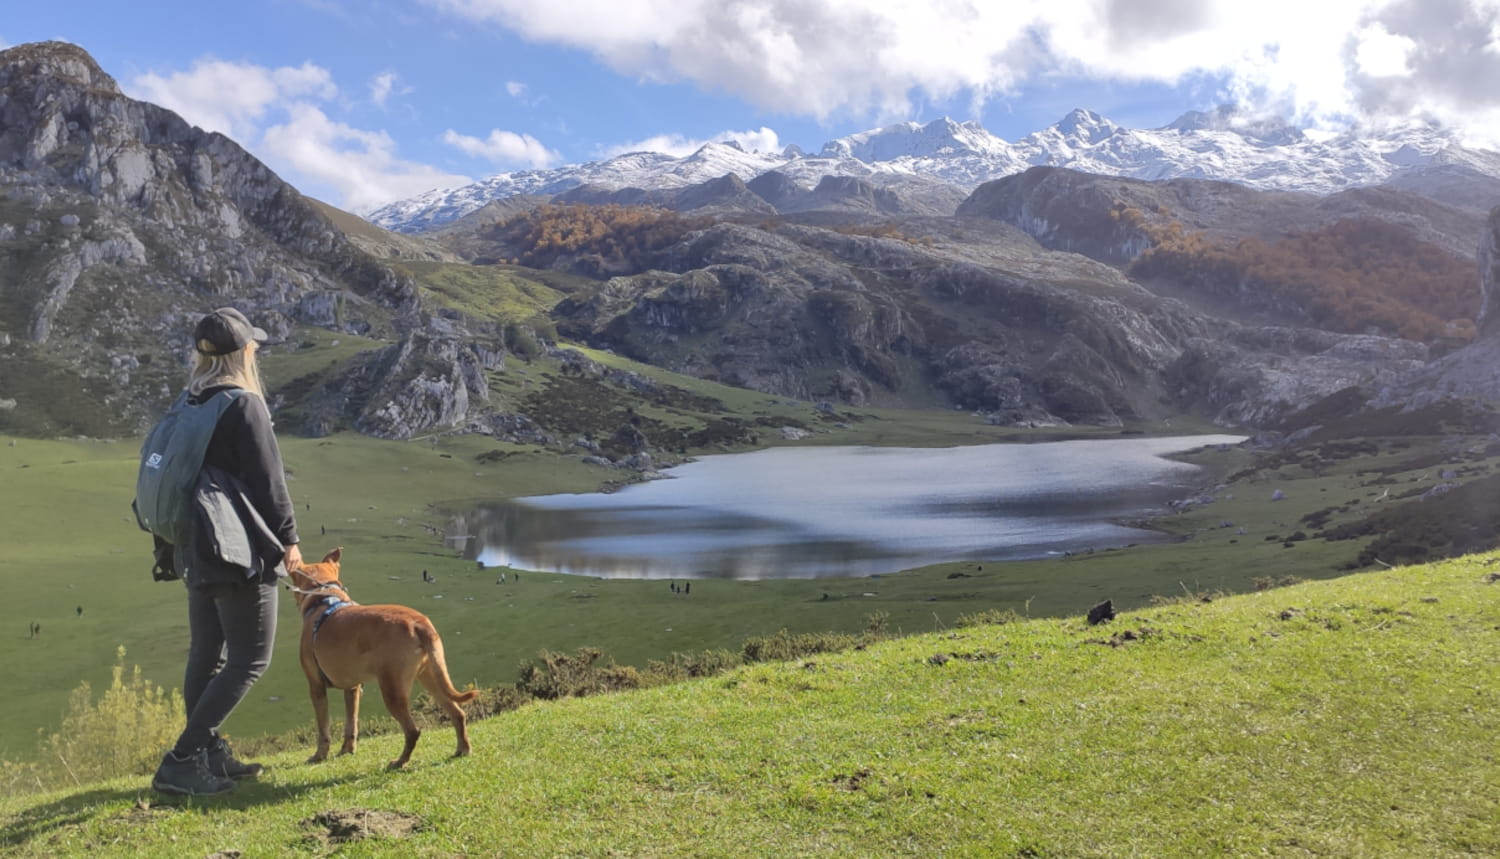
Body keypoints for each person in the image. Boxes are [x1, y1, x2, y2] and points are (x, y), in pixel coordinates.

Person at [148, 308, 302, 797]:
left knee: (207, 651)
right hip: (233, 547)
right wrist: (290, 543)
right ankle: (183, 760)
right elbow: (269, 483)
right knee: (251, 656)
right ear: (244, 353)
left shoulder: (189, 399)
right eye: (252, 345)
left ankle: (208, 752)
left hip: (190, 541)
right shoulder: (243, 404)